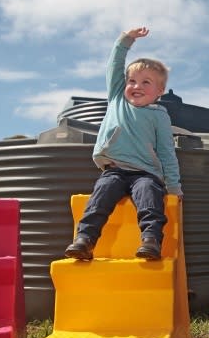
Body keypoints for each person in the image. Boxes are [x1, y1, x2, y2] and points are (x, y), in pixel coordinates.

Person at [64, 27, 183, 261]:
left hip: (146, 173)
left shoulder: (159, 116)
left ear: (159, 91)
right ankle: (84, 240)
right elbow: (114, 65)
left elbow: (167, 153)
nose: (136, 86)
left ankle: (150, 240)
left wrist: (174, 188)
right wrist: (126, 40)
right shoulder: (118, 99)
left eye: (145, 82)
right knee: (101, 196)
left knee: (149, 196)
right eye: (132, 81)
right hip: (114, 169)